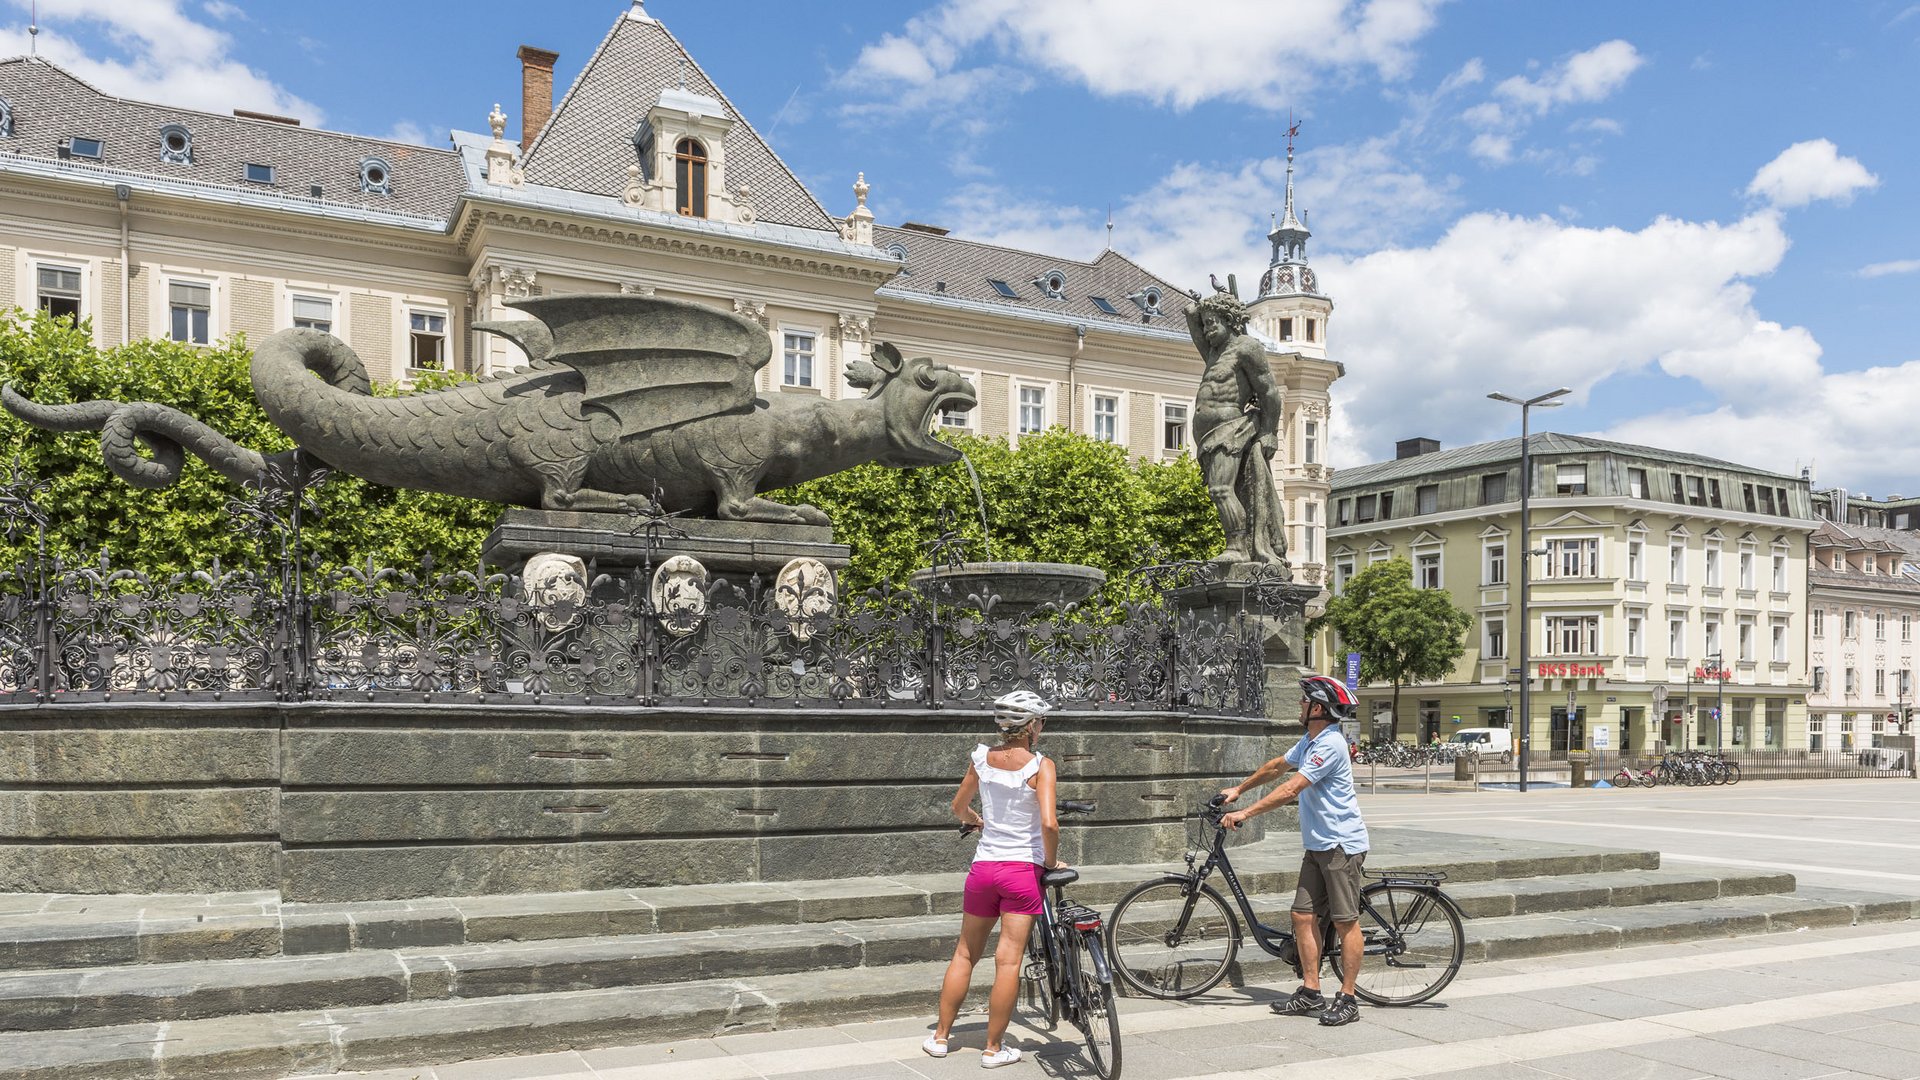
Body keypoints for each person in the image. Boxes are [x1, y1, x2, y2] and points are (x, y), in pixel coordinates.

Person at [1219, 674, 1370, 1026]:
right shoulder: (1310, 740)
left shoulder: (1330, 744)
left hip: (1339, 845)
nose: (1299, 706)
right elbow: (1276, 767)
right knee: (1302, 915)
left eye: (1304, 702)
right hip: (1318, 845)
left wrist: (1245, 813)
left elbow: (1291, 789)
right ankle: (1311, 991)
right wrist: (1238, 789)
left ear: (1317, 708)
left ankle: (1348, 999)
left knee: (1346, 922)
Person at [926, 689, 1063, 1069]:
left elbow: (958, 807)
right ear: (1032, 726)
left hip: (983, 868)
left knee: (965, 953)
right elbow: (1049, 823)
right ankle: (992, 1049)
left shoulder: (981, 758)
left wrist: (976, 821)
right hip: (1021, 871)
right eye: (1041, 721)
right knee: (1008, 961)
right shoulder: (1040, 765)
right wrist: (1048, 861)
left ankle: (940, 1038)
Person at [1185, 285, 1286, 566]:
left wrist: (1269, 433)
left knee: (1221, 489)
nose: (1206, 331)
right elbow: (1192, 320)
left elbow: (1269, 392)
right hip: (1206, 434)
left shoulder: (1246, 347)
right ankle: (1236, 545)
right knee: (1221, 491)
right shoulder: (1213, 353)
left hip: (1231, 430)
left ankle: (1238, 547)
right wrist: (1198, 309)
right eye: (1205, 326)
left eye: (1212, 324)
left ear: (1229, 321)